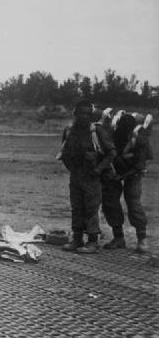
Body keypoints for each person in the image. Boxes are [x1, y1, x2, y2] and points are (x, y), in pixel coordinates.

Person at [58, 100, 115, 253]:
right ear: (75, 114)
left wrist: (98, 170)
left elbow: (111, 152)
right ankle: (77, 239)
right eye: (81, 113)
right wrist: (72, 169)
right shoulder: (69, 131)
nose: (84, 117)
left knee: (91, 209)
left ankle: (92, 241)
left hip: (92, 177)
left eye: (87, 114)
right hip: (76, 176)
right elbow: (64, 153)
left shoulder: (97, 131)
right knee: (76, 208)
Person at [101, 112, 152, 253]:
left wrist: (123, 175)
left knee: (133, 202)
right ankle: (119, 238)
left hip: (133, 173)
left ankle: (142, 239)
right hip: (115, 170)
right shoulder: (113, 136)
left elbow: (139, 164)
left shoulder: (139, 139)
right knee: (110, 201)